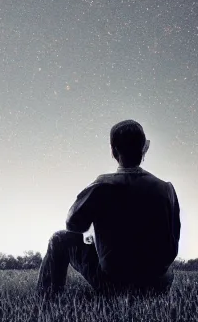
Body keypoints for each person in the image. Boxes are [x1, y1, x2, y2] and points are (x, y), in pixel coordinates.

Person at [36, 119, 181, 300]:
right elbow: (172, 244)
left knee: (59, 239)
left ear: (113, 151)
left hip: (114, 284)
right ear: (143, 148)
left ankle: (45, 302)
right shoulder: (166, 188)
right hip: (158, 284)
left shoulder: (103, 185)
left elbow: (73, 224)